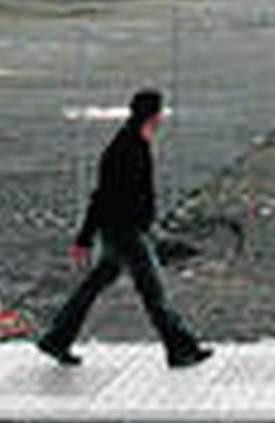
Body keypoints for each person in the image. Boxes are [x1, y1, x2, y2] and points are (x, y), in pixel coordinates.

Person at [37, 89, 213, 369]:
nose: (161, 119)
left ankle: (56, 339)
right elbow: (102, 197)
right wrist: (84, 239)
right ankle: (181, 348)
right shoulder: (126, 149)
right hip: (125, 232)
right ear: (153, 116)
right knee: (153, 293)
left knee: (94, 286)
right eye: (159, 113)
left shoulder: (134, 143)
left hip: (124, 231)